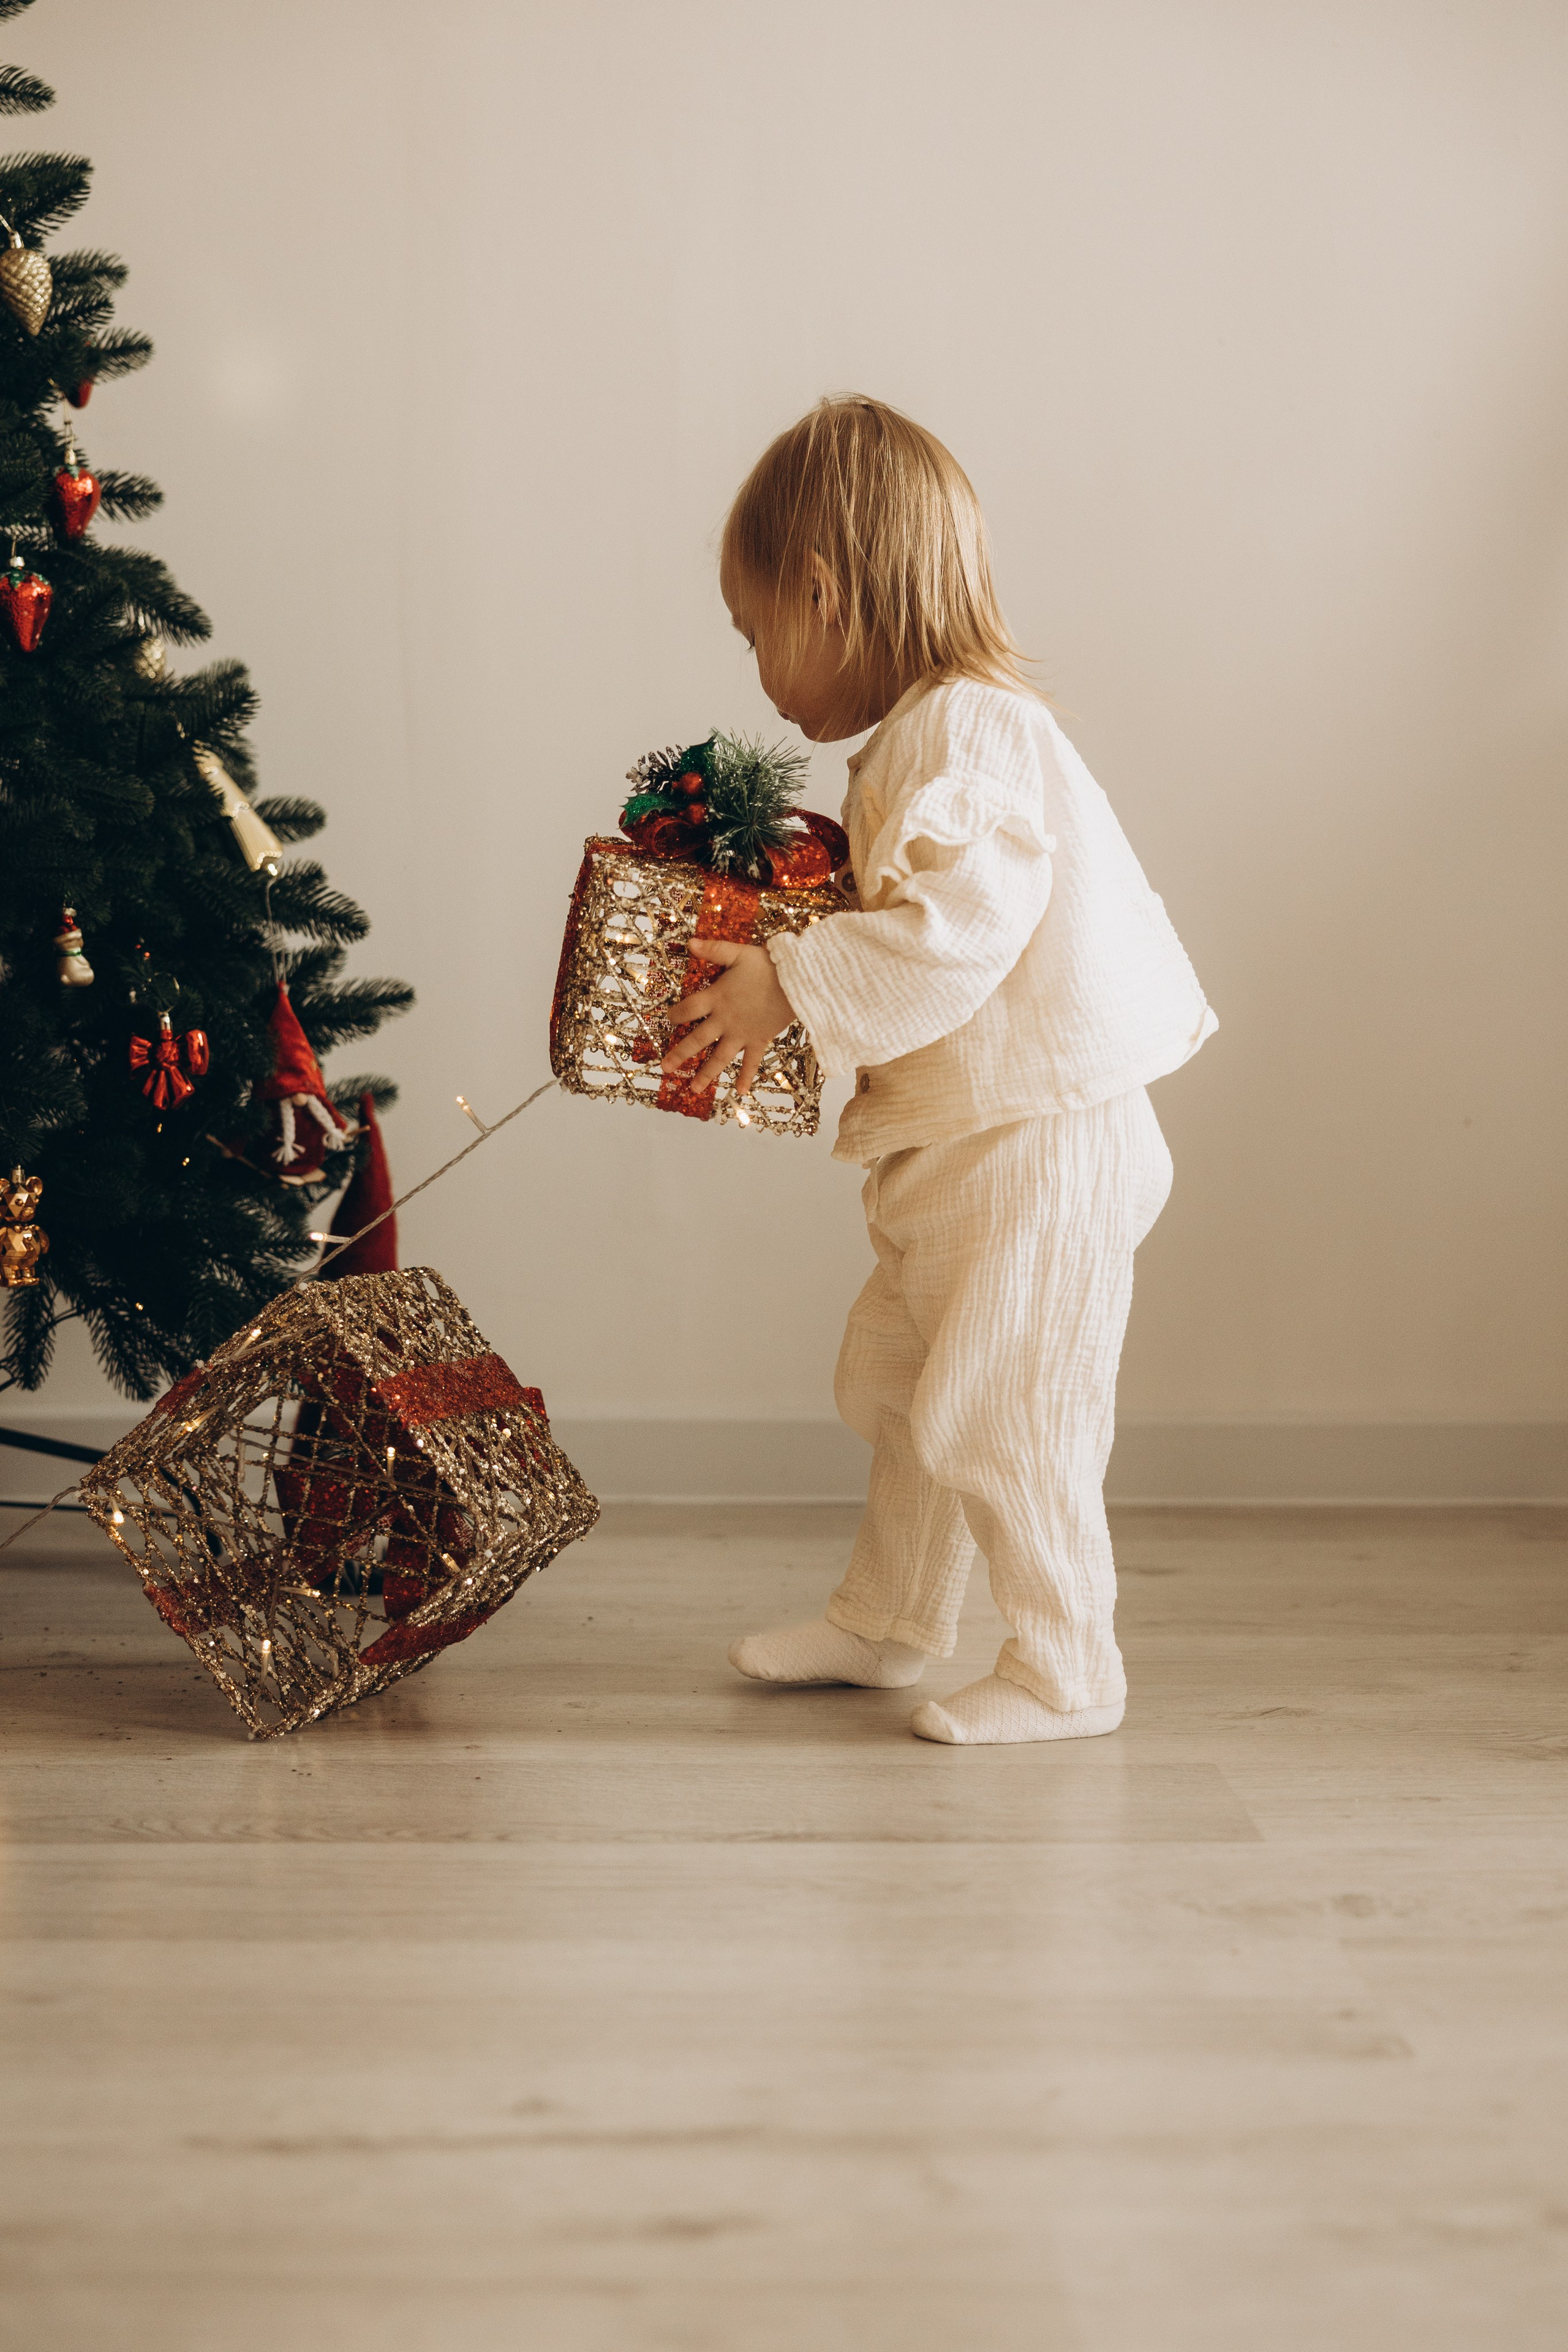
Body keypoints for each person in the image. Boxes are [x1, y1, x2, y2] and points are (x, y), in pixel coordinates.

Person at [663, 396, 1216, 1745]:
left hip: (1040, 1139)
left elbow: (957, 933)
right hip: (972, 1144)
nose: (754, 670)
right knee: (907, 1391)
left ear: (822, 592)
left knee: (1005, 1412)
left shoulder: (967, 734)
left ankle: (1065, 1665)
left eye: (754, 631)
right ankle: (892, 1619)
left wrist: (792, 980)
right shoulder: (926, 735)